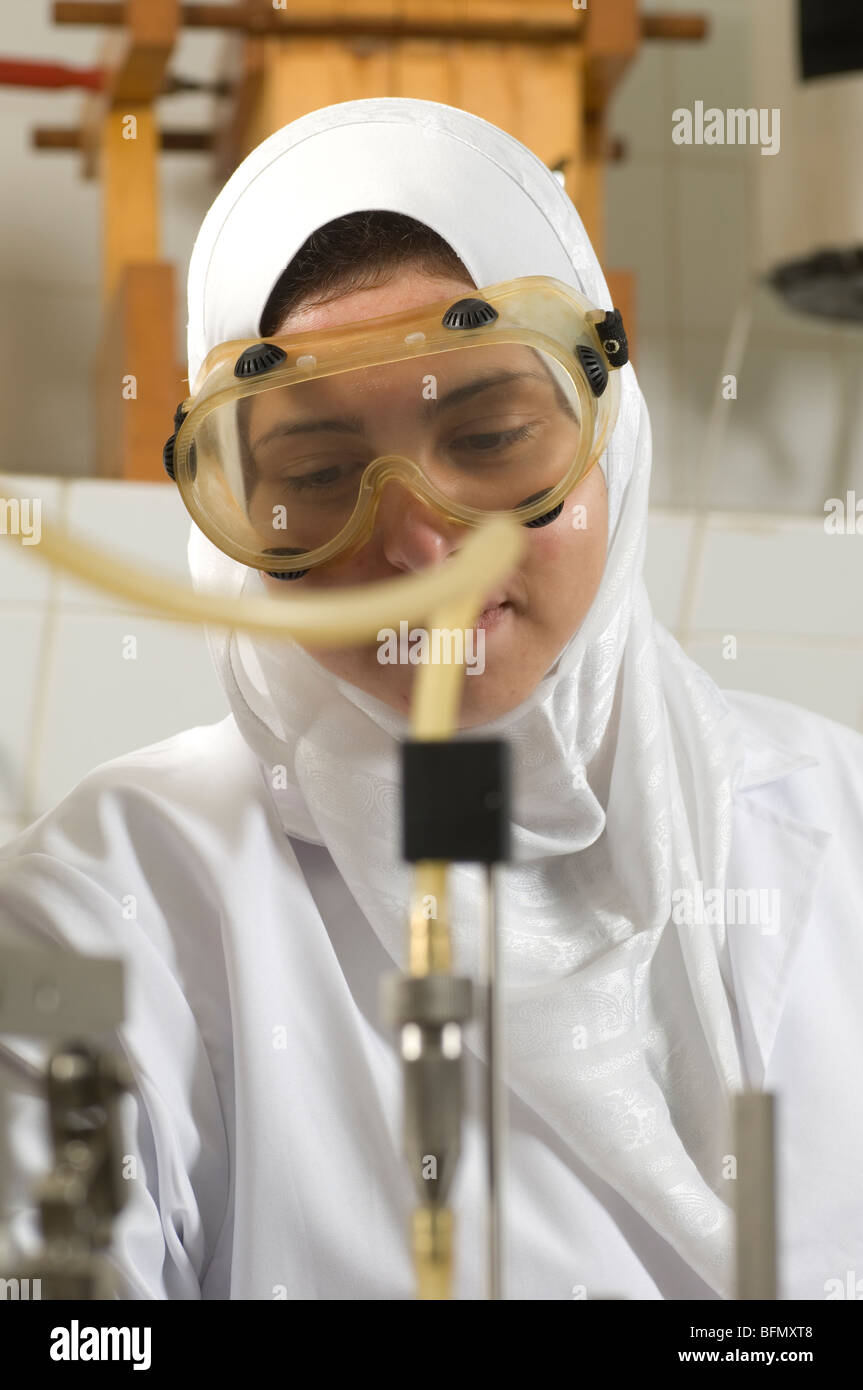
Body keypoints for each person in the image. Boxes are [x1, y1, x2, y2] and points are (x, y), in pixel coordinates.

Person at [1, 97, 862, 1302]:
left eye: (494, 432)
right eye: (316, 477)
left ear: (608, 429)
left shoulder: (839, 823)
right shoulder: (100, 906)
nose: (417, 542)